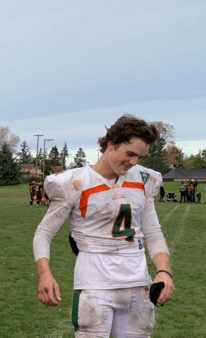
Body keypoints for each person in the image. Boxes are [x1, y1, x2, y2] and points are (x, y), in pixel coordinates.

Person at [33, 115, 175, 337]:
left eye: (140, 156)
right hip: (95, 284)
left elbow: (153, 232)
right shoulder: (74, 181)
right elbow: (44, 233)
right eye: (130, 154)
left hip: (139, 284)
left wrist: (164, 272)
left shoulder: (144, 179)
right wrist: (45, 274)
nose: (135, 162)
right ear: (111, 144)